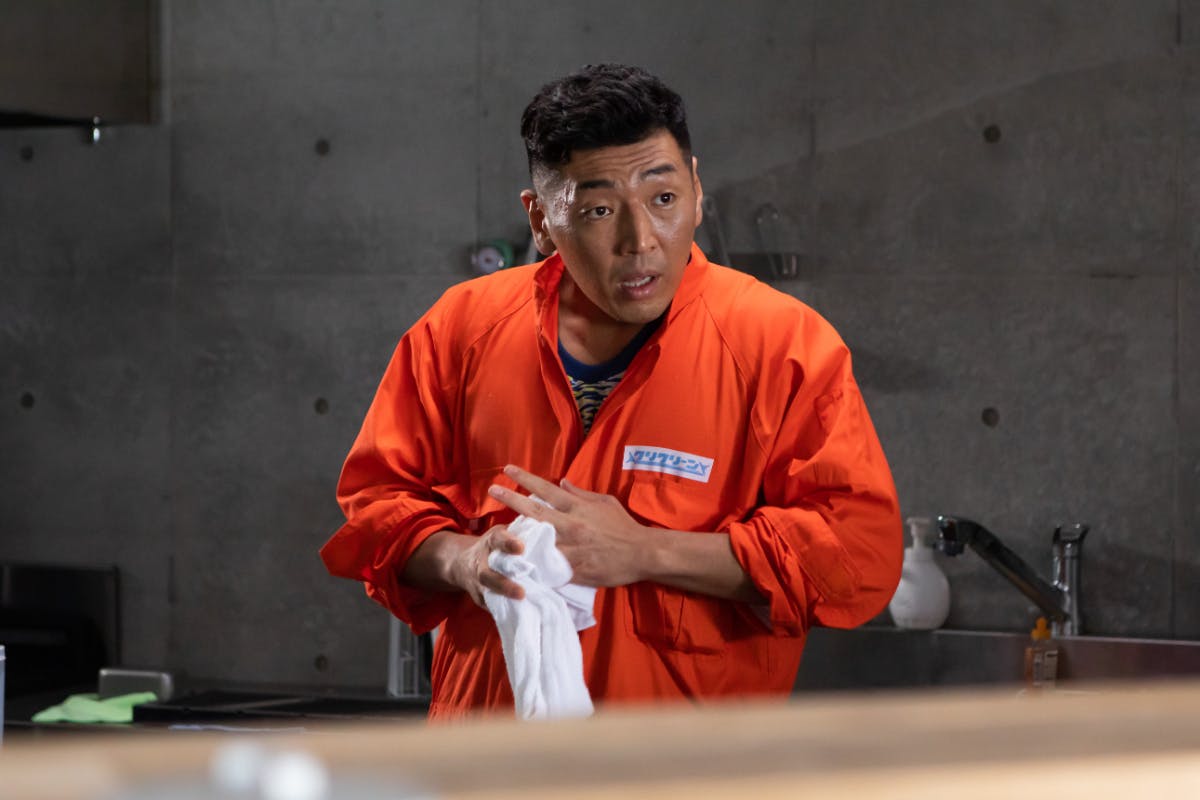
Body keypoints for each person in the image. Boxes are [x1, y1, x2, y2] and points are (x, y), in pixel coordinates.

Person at [320, 63, 903, 720]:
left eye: (664, 198)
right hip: (490, 759)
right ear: (540, 219)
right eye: (598, 210)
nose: (641, 241)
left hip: (683, 765)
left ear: (697, 191)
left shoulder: (783, 345)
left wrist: (648, 551)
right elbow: (377, 508)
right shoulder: (459, 331)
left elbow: (858, 555)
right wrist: (465, 560)